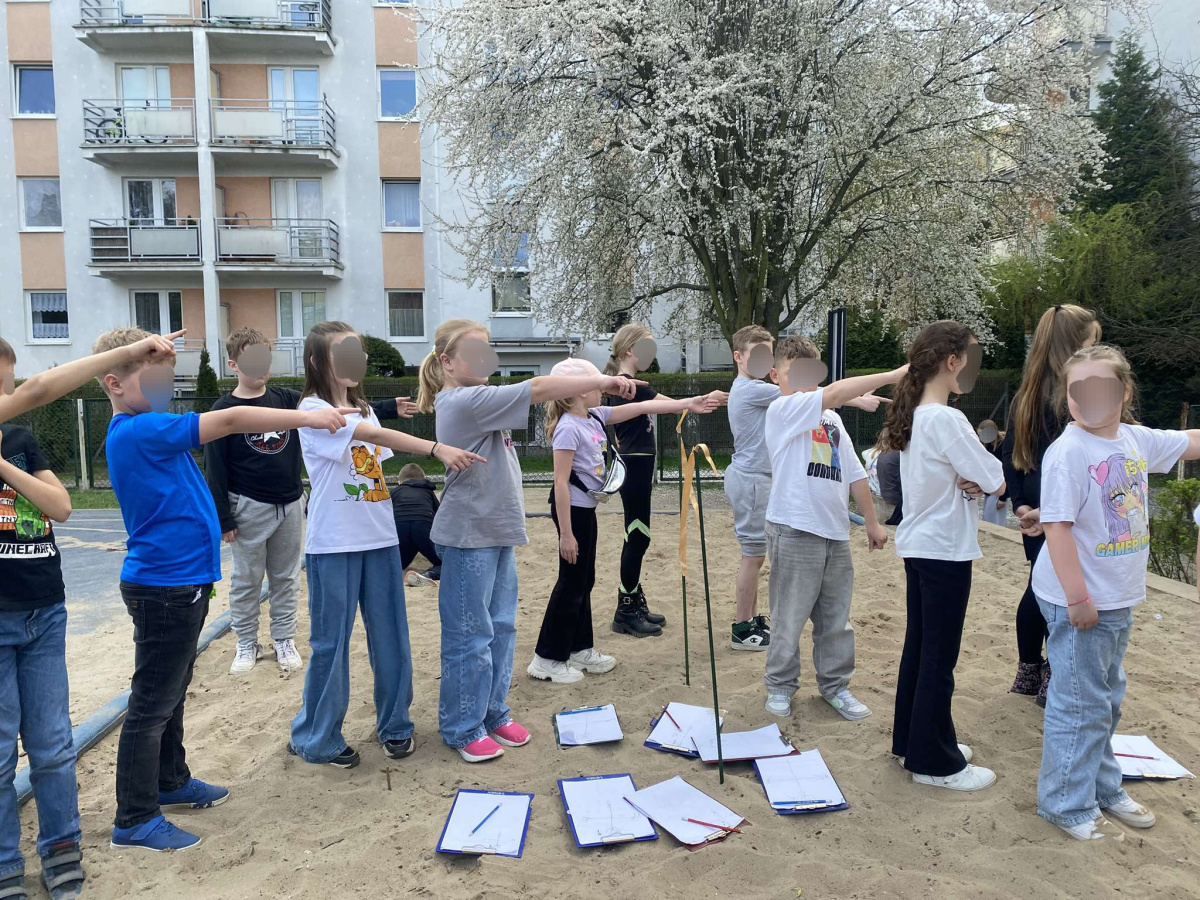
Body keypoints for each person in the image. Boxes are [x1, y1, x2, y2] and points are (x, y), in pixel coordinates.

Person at [93, 327, 354, 852]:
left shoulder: (150, 427)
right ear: (114, 384)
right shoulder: (138, 430)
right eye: (153, 379)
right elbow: (232, 420)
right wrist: (306, 417)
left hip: (181, 583)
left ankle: (170, 781)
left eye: (168, 379)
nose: (165, 388)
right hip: (163, 587)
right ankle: (135, 818)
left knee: (170, 695)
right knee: (151, 704)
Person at [417, 319, 641, 762]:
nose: (485, 360)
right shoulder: (462, 400)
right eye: (474, 352)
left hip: (497, 531)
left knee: (501, 628)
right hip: (469, 534)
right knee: (470, 636)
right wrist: (602, 381)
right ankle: (462, 726)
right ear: (447, 362)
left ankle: (493, 713)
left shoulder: (480, 398)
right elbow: (539, 388)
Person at [288, 322, 480, 771]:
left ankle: (395, 724)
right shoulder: (312, 410)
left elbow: (371, 463)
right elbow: (374, 438)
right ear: (317, 361)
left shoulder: (364, 409)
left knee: (392, 636)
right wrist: (435, 448)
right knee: (330, 643)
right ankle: (317, 736)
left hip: (379, 537)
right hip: (333, 543)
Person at [1032, 344, 1199, 841]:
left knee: (1105, 698)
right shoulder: (1069, 452)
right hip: (1080, 599)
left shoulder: (1133, 438)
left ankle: (1103, 786)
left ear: (1124, 392)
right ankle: (1065, 803)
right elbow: (1056, 528)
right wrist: (1078, 598)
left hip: (1117, 597)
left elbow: (1188, 441)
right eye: (1077, 390)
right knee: (1080, 703)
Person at [203, 327, 417, 675]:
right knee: (247, 579)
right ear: (233, 364)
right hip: (248, 506)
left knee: (286, 577)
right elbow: (214, 468)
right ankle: (246, 641)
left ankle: (283, 638)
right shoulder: (223, 409)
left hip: (290, 502)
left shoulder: (288, 400)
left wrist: (388, 408)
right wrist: (223, 518)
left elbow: (337, 414)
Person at [529, 358, 723, 683]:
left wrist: (688, 403)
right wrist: (566, 534)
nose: (603, 390)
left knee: (585, 580)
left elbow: (639, 407)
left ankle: (579, 648)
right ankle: (546, 657)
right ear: (578, 391)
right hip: (571, 512)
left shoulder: (594, 416)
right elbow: (560, 483)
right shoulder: (567, 427)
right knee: (571, 582)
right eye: (595, 384)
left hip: (585, 510)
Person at [880, 321, 1005, 793]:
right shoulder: (946, 419)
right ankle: (933, 760)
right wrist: (982, 478)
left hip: (922, 545)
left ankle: (913, 741)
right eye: (970, 359)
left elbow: (977, 476)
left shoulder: (918, 415)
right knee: (938, 656)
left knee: (921, 648)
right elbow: (994, 477)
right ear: (952, 361)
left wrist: (975, 477)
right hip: (943, 549)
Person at [761, 337, 902, 719]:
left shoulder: (832, 419)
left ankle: (835, 686)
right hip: (794, 528)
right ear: (775, 375)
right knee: (789, 616)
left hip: (835, 532)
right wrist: (892, 375)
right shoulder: (781, 409)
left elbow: (855, 473)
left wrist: (871, 522)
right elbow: (836, 393)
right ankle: (780, 685)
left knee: (836, 620)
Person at [0, 339, 84, 900]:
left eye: (9, 385)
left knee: (53, 745)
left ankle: (61, 846)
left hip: (43, 612)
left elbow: (60, 507)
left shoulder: (20, 441)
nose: (8, 396)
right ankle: (5, 861)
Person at [1001, 304, 1100, 704]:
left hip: (1034, 504)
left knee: (1037, 586)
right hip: (1064, 507)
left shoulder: (1026, 394)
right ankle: (1053, 674)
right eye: (1092, 343)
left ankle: (1029, 669)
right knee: (1062, 592)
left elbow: (1010, 452)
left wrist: (1020, 504)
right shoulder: (1075, 397)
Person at [604, 324, 727, 637]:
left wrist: (699, 401)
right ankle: (625, 609)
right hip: (634, 465)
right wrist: (698, 400)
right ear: (629, 350)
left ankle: (631, 600)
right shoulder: (628, 385)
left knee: (638, 535)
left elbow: (669, 404)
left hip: (639, 465)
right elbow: (670, 404)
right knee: (637, 535)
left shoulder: (629, 384)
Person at [724, 325, 779, 650]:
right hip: (752, 480)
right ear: (739, 357)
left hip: (755, 478)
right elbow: (807, 394)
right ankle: (742, 628)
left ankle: (753, 620)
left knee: (756, 556)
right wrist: (854, 398)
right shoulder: (751, 389)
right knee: (752, 556)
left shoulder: (750, 388)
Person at [391, 462, 441, 585]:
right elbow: (439, 515)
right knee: (444, 563)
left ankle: (391, 574)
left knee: (396, 564)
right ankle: (428, 574)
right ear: (424, 479)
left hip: (400, 527)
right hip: (423, 527)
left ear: (399, 482)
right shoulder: (428, 492)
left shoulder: (395, 491)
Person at [977, 419, 1009, 526]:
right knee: (987, 519)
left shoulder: (1003, 445)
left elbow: (1006, 471)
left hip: (999, 490)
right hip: (990, 489)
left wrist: (1003, 497)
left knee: (994, 522)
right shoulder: (987, 445)